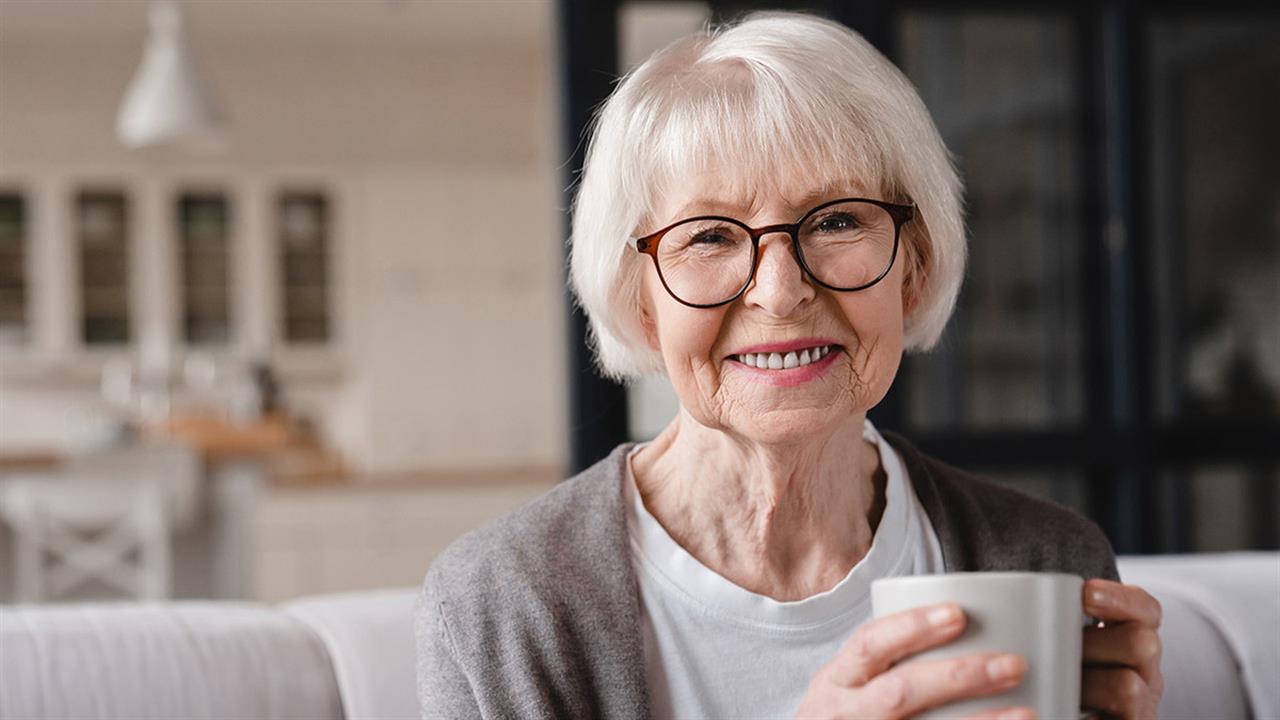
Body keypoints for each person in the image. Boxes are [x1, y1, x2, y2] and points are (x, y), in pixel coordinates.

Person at [416, 11, 1162, 720]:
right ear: (640, 298)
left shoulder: (1044, 558)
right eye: (709, 236)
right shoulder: (501, 603)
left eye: (837, 220)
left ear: (913, 268)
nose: (780, 292)